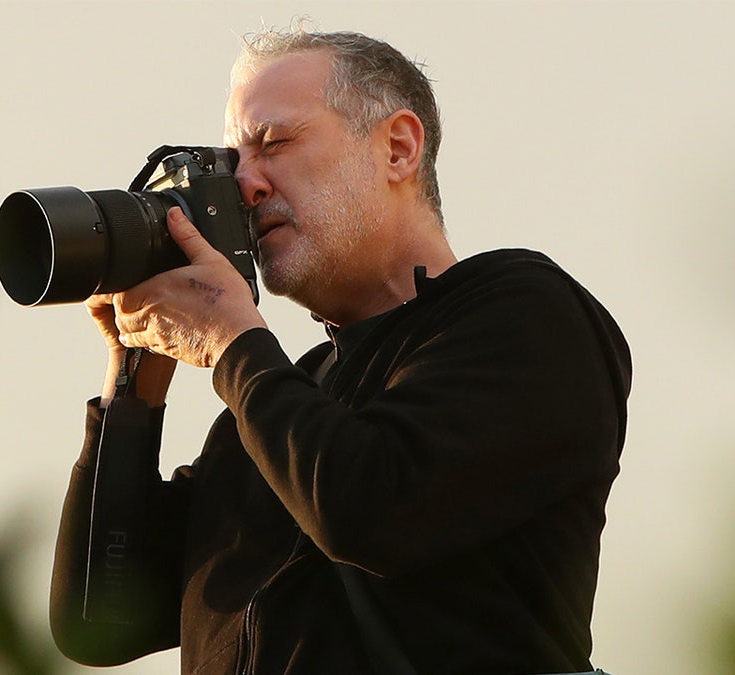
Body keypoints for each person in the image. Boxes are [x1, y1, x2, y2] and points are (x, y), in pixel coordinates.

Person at [48, 28, 631, 675]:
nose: (246, 186)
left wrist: (231, 342)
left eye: (274, 143)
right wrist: (133, 381)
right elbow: (97, 623)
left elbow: (371, 510)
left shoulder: (525, 315)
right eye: (234, 161)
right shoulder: (274, 405)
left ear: (398, 147)